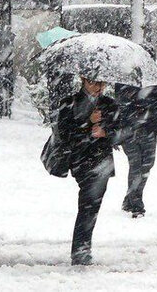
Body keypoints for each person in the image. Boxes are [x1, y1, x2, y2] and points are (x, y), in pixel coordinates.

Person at [58, 76, 122, 265]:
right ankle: (80, 250)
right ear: (84, 81)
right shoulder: (70, 103)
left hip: (102, 162)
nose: (99, 87)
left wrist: (106, 132)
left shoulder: (110, 105)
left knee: (90, 207)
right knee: (88, 206)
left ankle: (82, 249)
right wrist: (87, 122)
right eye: (94, 83)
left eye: (102, 83)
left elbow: (121, 132)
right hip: (81, 160)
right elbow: (64, 133)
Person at [117, 84, 157, 218]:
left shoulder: (154, 83)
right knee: (136, 166)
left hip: (149, 130)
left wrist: (152, 111)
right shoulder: (125, 81)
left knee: (146, 166)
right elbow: (120, 107)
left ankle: (130, 199)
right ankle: (136, 205)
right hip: (130, 132)